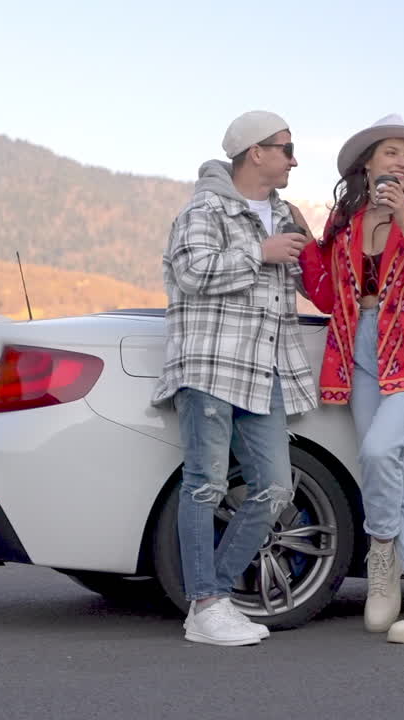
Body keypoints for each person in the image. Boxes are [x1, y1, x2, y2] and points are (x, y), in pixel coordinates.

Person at [295, 114, 404, 644]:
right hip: (359, 348)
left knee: (378, 453)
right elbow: (326, 296)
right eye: (391, 152)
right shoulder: (344, 226)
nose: (400, 162)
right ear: (365, 163)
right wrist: (306, 243)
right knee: (393, 465)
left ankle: (386, 560)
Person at [152, 111, 317, 646]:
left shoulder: (284, 215)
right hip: (211, 365)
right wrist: (259, 252)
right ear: (256, 153)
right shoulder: (204, 208)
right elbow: (190, 271)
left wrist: (307, 242)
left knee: (273, 488)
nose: (294, 159)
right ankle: (205, 605)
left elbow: (309, 287)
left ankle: (214, 596)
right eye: (287, 148)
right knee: (205, 485)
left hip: (266, 368)